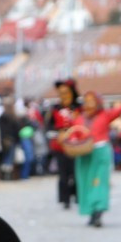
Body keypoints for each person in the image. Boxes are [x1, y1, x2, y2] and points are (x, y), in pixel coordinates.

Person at [74, 91, 121, 228]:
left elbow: (120, 109)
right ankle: (91, 212)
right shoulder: (79, 118)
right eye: (87, 101)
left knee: (99, 181)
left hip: (100, 151)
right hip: (84, 153)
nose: (89, 104)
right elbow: (73, 134)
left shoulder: (105, 115)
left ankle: (98, 210)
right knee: (86, 182)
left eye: (92, 101)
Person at [46, 79, 80, 209]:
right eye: (61, 93)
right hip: (61, 146)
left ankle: (77, 195)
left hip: (77, 145)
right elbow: (49, 127)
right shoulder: (55, 109)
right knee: (63, 174)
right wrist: (57, 134)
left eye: (66, 92)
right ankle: (65, 199)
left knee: (76, 172)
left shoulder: (79, 108)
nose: (64, 96)